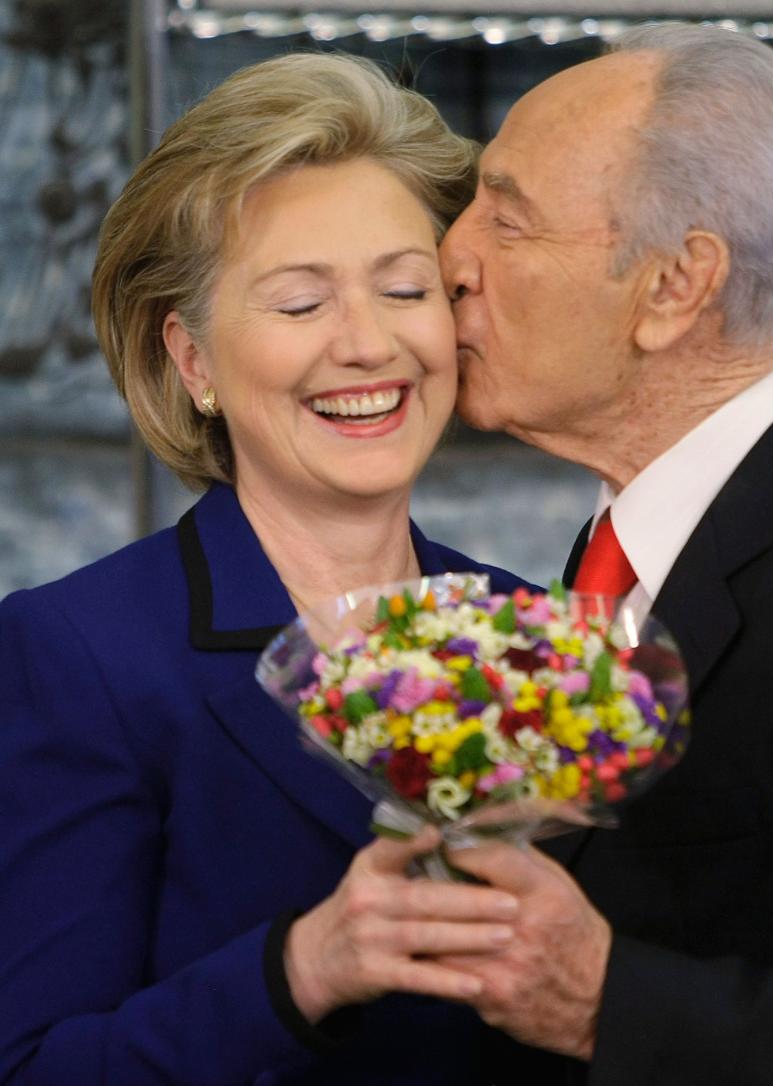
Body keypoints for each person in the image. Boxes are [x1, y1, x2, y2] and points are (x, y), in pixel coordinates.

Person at [434, 21, 773, 1084]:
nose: (451, 255)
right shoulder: (624, 537)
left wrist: (603, 1003)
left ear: (675, 288)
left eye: (510, 218)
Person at [0, 53, 532, 1085]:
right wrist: (305, 968)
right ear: (191, 360)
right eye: (300, 305)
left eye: (405, 288)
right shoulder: (77, 656)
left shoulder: (533, 628)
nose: (368, 344)